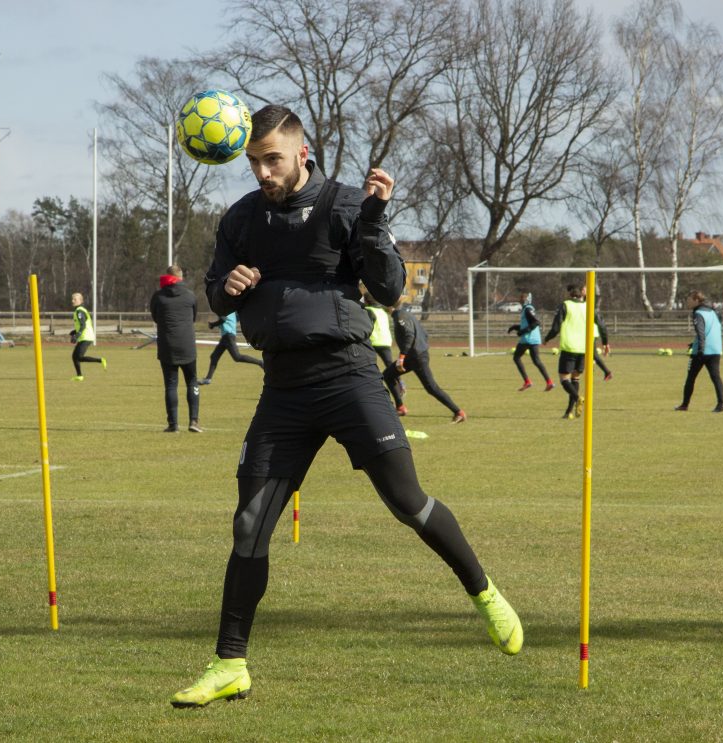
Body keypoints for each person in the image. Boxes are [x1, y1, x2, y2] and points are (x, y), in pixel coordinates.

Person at [171, 104, 520, 708]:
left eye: (272, 159)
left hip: (348, 376)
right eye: (253, 160)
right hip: (282, 389)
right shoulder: (240, 219)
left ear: (302, 153)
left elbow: (387, 288)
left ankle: (484, 591)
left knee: (408, 504)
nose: (262, 171)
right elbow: (214, 290)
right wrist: (225, 289)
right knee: (249, 525)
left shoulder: (345, 205)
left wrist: (376, 220)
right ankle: (229, 662)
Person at [384, 303, 467, 423]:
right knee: (388, 375)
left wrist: (402, 356)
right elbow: (424, 333)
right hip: (413, 355)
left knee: (431, 388)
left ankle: (459, 412)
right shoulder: (405, 313)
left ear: (389, 305)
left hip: (416, 357)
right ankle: (400, 407)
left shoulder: (400, 316)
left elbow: (409, 335)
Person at [150, 265, 201, 433]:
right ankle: (194, 421)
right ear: (181, 277)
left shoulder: (158, 297)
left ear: (167, 277)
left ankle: (173, 424)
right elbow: (193, 317)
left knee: (171, 386)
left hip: (167, 346)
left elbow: (155, 317)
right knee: (192, 381)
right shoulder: (190, 296)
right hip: (187, 345)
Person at [675, 290, 723, 412]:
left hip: (702, 351)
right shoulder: (713, 312)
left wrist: (700, 349)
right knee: (716, 377)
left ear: (696, 300)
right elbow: (714, 328)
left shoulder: (698, 313)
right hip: (716, 349)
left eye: (689, 300)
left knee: (691, 377)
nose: (688, 302)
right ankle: (721, 404)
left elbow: (701, 332)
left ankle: (684, 405)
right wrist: (695, 343)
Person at [543, 284, 589, 419]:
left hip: (569, 347)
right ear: (581, 293)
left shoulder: (565, 305)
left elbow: (556, 327)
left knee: (564, 379)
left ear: (569, 294)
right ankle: (569, 412)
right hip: (583, 347)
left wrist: (547, 338)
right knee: (575, 378)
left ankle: (578, 398)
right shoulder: (587, 306)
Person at [197, 311, 263, 384]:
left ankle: (260, 362)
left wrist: (213, 324)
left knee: (237, 357)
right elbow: (230, 319)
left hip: (228, 336)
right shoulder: (231, 310)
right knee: (214, 356)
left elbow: (223, 319)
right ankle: (208, 379)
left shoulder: (224, 307)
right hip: (226, 336)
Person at [507, 291, 553, 391]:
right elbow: (529, 324)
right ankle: (549, 382)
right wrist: (515, 327)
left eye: (521, 299)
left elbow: (536, 322)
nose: (520, 300)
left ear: (526, 300)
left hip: (527, 339)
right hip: (535, 339)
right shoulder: (528, 309)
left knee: (516, 357)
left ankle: (527, 381)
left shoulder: (527, 309)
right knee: (537, 361)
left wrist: (522, 331)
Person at [69, 292, 106, 380]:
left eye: (75, 299)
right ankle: (79, 376)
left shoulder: (79, 311)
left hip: (86, 337)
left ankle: (100, 360)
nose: (72, 301)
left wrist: (77, 335)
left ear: (80, 301)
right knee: (75, 357)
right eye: (72, 299)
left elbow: (83, 325)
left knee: (79, 357)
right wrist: (74, 331)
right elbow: (83, 324)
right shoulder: (79, 310)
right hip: (84, 336)